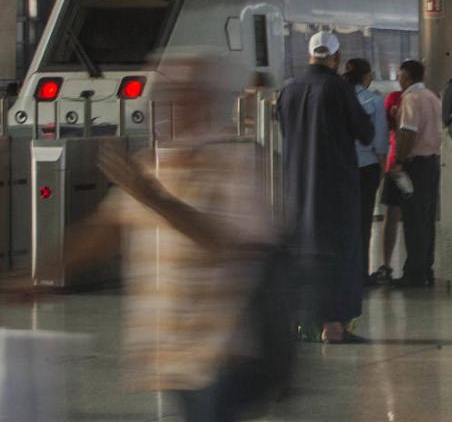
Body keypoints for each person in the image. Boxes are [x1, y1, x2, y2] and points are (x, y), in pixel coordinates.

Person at [55, 54, 276, 422]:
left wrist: (153, 198)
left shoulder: (238, 161)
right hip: (174, 353)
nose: (165, 105)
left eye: (180, 94)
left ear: (205, 101)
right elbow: (103, 233)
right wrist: (35, 276)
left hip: (223, 353)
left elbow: (224, 243)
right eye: (164, 95)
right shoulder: (151, 164)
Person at [277, 30, 374, 344]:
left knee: (300, 251)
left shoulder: (289, 89)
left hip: (296, 184)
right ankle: (333, 326)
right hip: (335, 186)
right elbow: (365, 132)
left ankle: (297, 323)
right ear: (336, 58)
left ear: (309, 55)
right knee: (340, 252)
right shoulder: (339, 88)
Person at [390, 59, 442, 287]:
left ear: (408, 76)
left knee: (413, 220)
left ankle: (414, 273)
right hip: (432, 163)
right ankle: (426, 269)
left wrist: (399, 161)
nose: (398, 79)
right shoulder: (432, 97)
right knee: (427, 219)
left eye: (400, 75)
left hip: (415, 165)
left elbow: (407, 133)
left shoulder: (411, 98)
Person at [343, 58, 389, 283]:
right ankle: (361, 272)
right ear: (366, 76)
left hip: (340, 167)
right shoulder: (374, 100)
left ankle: (343, 272)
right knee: (363, 221)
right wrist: (382, 166)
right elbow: (379, 139)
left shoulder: (338, 98)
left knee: (342, 221)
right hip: (367, 167)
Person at [369, 85, 405, 285]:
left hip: (395, 161)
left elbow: (384, 130)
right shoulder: (430, 97)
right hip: (417, 162)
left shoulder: (394, 98)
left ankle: (387, 264)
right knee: (418, 219)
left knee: (392, 214)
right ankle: (418, 266)